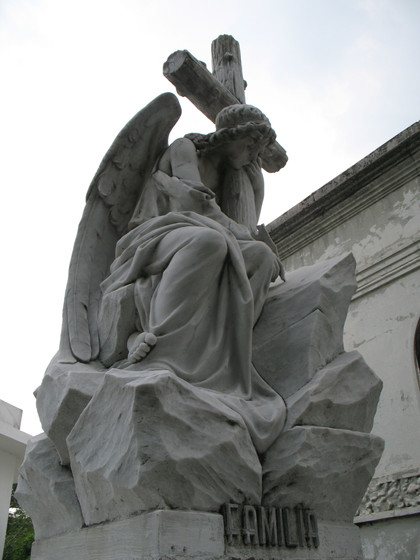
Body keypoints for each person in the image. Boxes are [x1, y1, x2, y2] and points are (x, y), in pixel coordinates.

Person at [98, 104, 287, 454]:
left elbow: (235, 223)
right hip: (154, 235)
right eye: (249, 146)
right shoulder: (185, 149)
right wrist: (241, 234)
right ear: (228, 136)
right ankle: (162, 350)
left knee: (260, 259)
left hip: (202, 231)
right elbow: (194, 204)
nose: (252, 156)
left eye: (257, 151)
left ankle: (225, 355)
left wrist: (255, 233)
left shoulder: (234, 174)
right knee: (208, 242)